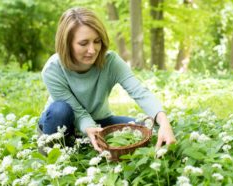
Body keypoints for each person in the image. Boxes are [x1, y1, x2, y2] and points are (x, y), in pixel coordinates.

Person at [38, 7, 176, 153]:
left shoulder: (111, 62)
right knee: (60, 109)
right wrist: (91, 129)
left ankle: (85, 144)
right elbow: (77, 112)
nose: (92, 50)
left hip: (98, 121)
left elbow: (139, 92)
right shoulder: (52, 69)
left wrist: (164, 122)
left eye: (97, 41)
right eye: (83, 43)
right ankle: (55, 150)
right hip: (62, 122)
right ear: (67, 44)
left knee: (146, 127)